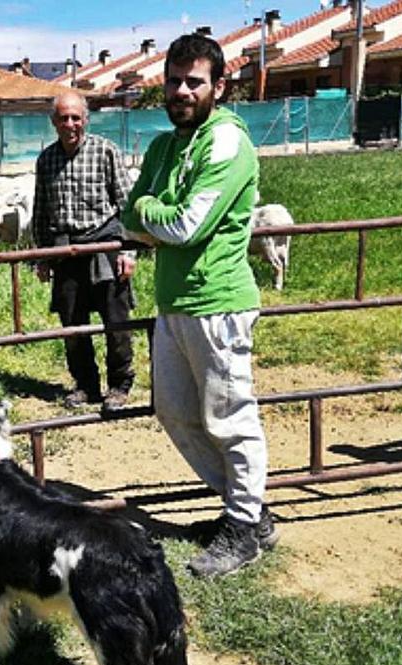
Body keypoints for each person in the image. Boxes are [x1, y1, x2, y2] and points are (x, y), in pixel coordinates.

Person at [121, 33, 277, 578]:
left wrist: (148, 211)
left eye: (194, 81)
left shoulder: (227, 141)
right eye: (173, 80)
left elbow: (186, 226)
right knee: (176, 412)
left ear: (219, 86)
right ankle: (248, 509)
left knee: (230, 418)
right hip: (173, 302)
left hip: (217, 303)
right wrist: (147, 211)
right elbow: (128, 219)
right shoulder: (165, 147)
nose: (181, 91)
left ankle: (243, 526)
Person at [31, 91, 136, 413]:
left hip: (105, 244)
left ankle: (119, 384)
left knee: (115, 321)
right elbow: (41, 212)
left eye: (76, 117)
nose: (70, 124)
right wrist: (43, 256)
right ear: (54, 122)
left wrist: (129, 251)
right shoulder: (46, 160)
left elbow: (127, 204)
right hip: (66, 248)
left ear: (86, 120)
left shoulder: (106, 151)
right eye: (63, 118)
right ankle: (85, 385)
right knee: (73, 325)